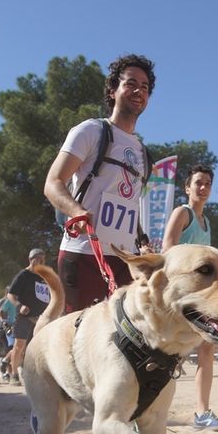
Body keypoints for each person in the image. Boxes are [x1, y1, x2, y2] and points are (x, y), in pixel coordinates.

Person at [43, 54, 154, 313]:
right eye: (131, 83)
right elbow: (53, 182)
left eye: (145, 87)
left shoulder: (144, 153)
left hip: (125, 262)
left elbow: (128, 204)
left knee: (117, 345)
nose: (139, 91)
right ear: (113, 90)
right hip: (83, 255)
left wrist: (142, 240)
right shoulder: (91, 131)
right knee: (75, 343)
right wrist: (76, 212)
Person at [161, 165, 218, 432]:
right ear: (187, 188)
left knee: (207, 350)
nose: (204, 187)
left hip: (201, 297)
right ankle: (155, 419)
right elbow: (168, 249)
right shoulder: (183, 213)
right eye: (199, 183)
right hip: (179, 296)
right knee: (168, 358)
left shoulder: (206, 221)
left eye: (208, 183)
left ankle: (202, 413)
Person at [5, 249, 50, 386]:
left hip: (42, 318)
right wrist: (19, 306)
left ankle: (39, 375)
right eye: (40, 259)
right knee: (19, 346)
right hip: (25, 317)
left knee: (40, 348)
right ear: (32, 259)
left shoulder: (44, 276)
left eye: (44, 260)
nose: (43, 262)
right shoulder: (23, 275)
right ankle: (13, 374)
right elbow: (10, 295)